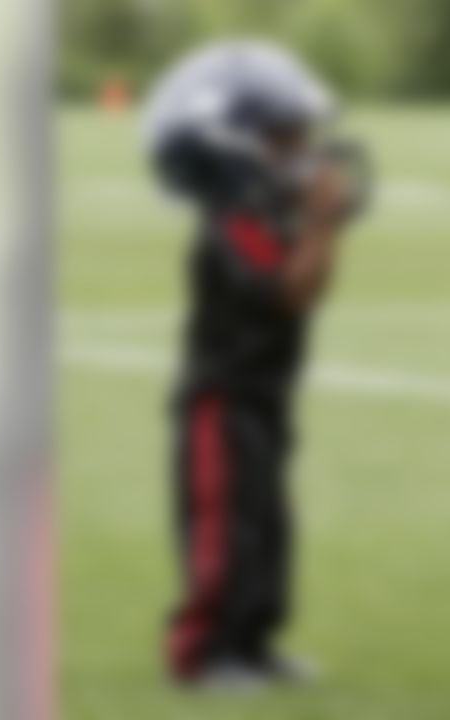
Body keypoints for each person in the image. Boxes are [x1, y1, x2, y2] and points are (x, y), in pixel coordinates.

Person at [142, 40, 366, 690]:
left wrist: (315, 228)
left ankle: (253, 643)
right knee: (227, 528)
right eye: (285, 138)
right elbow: (293, 291)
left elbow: (307, 292)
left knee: (267, 526)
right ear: (231, 142)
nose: (304, 152)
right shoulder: (231, 221)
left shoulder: (268, 214)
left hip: (266, 396)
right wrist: (321, 226)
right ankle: (203, 652)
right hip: (224, 398)